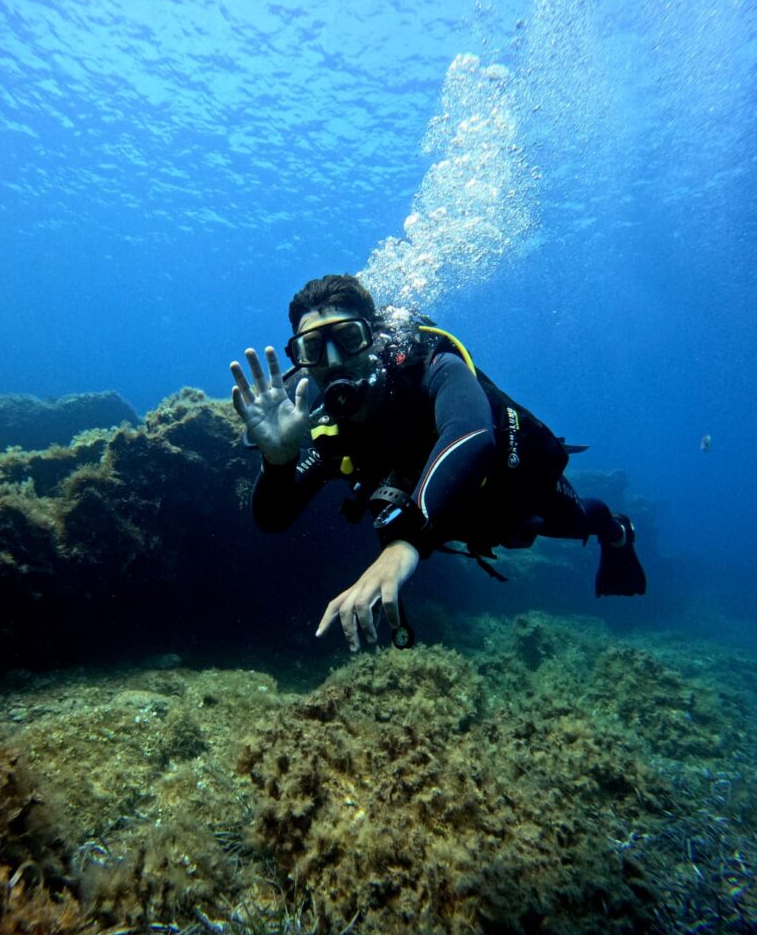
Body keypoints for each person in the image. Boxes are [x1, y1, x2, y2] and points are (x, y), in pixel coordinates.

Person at [230, 274, 646, 653]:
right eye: (313, 348)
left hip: (509, 494)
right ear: (298, 357)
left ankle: (618, 533)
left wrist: (404, 541)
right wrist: (279, 462)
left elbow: (470, 434)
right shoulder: (325, 420)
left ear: (373, 337)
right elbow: (273, 518)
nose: (334, 361)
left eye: (349, 337)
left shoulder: (430, 364)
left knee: (577, 518)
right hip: (440, 519)